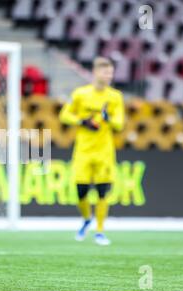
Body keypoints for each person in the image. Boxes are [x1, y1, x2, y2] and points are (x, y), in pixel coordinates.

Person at [59, 57, 124, 246]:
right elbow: (65, 115)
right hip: (84, 151)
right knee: (81, 192)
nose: (109, 76)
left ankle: (100, 231)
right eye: (106, 72)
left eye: (111, 73)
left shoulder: (115, 97)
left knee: (103, 192)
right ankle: (87, 219)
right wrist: (82, 121)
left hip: (104, 151)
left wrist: (107, 118)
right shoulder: (80, 94)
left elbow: (119, 123)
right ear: (96, 73)